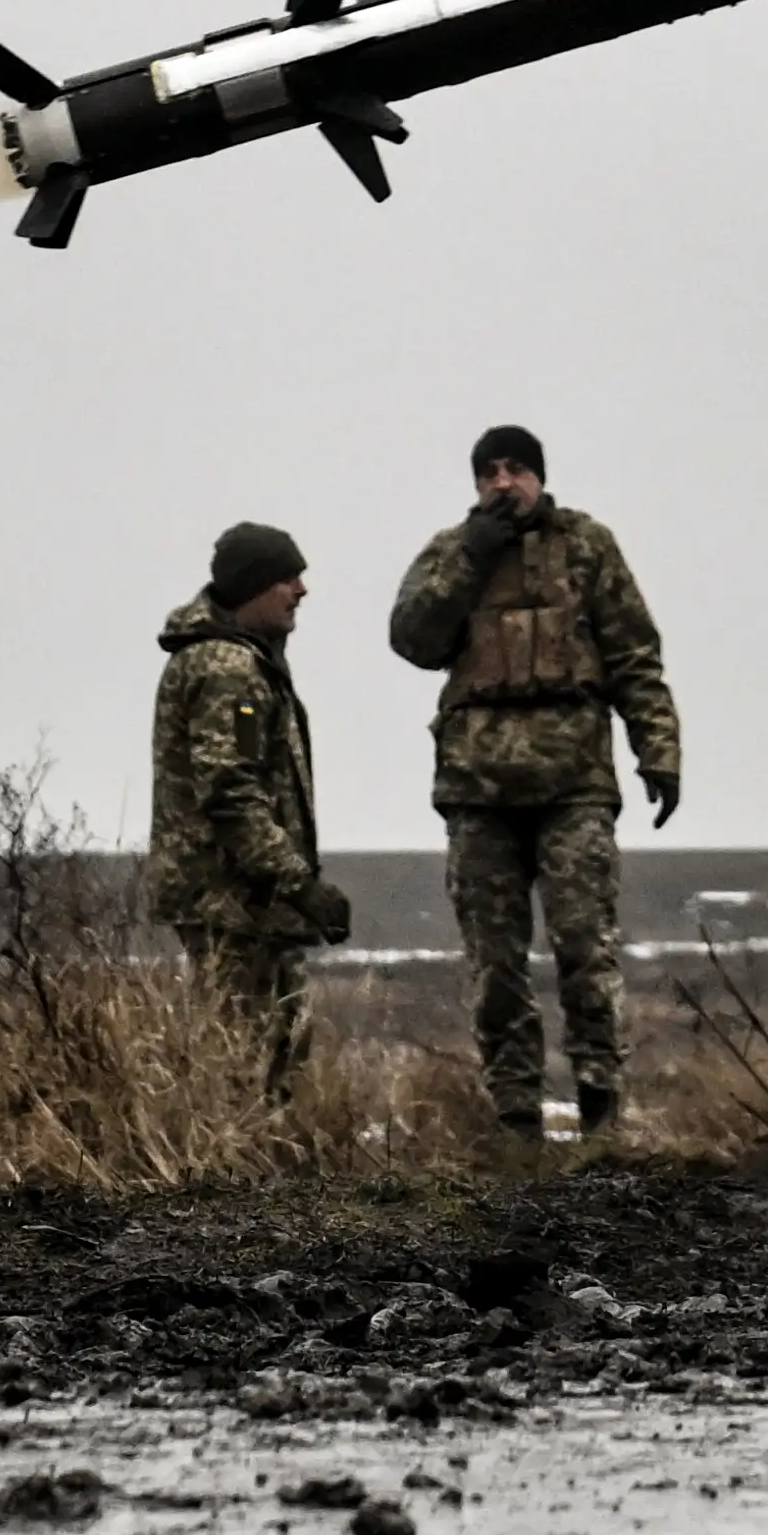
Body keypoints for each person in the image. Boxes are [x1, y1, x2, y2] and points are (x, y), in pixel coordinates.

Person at [385, 423, 679, 1147]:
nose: (502, 482)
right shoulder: (452, 552)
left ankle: (602, 1114)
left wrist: (659, 750)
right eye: (489, 471)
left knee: (586, 948)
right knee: (495, 964)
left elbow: (634, 654)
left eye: (516, 469)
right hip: (478, 789)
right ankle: (516, 1121)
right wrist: (471, 559)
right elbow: (412, 639)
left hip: (572, 783)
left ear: (540, 477)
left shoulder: (586, 546)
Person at [149, 520, 349, 1097]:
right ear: (252, 587)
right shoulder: (226, 671)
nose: (301, 591)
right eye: (288, 579)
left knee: (279, 1045)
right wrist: (298, 884)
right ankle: (229, 1153)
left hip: (249, 901)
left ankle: (265, 1149)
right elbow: (230, 793)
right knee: (240, 1058)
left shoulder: (240, 662)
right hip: (231, 902)